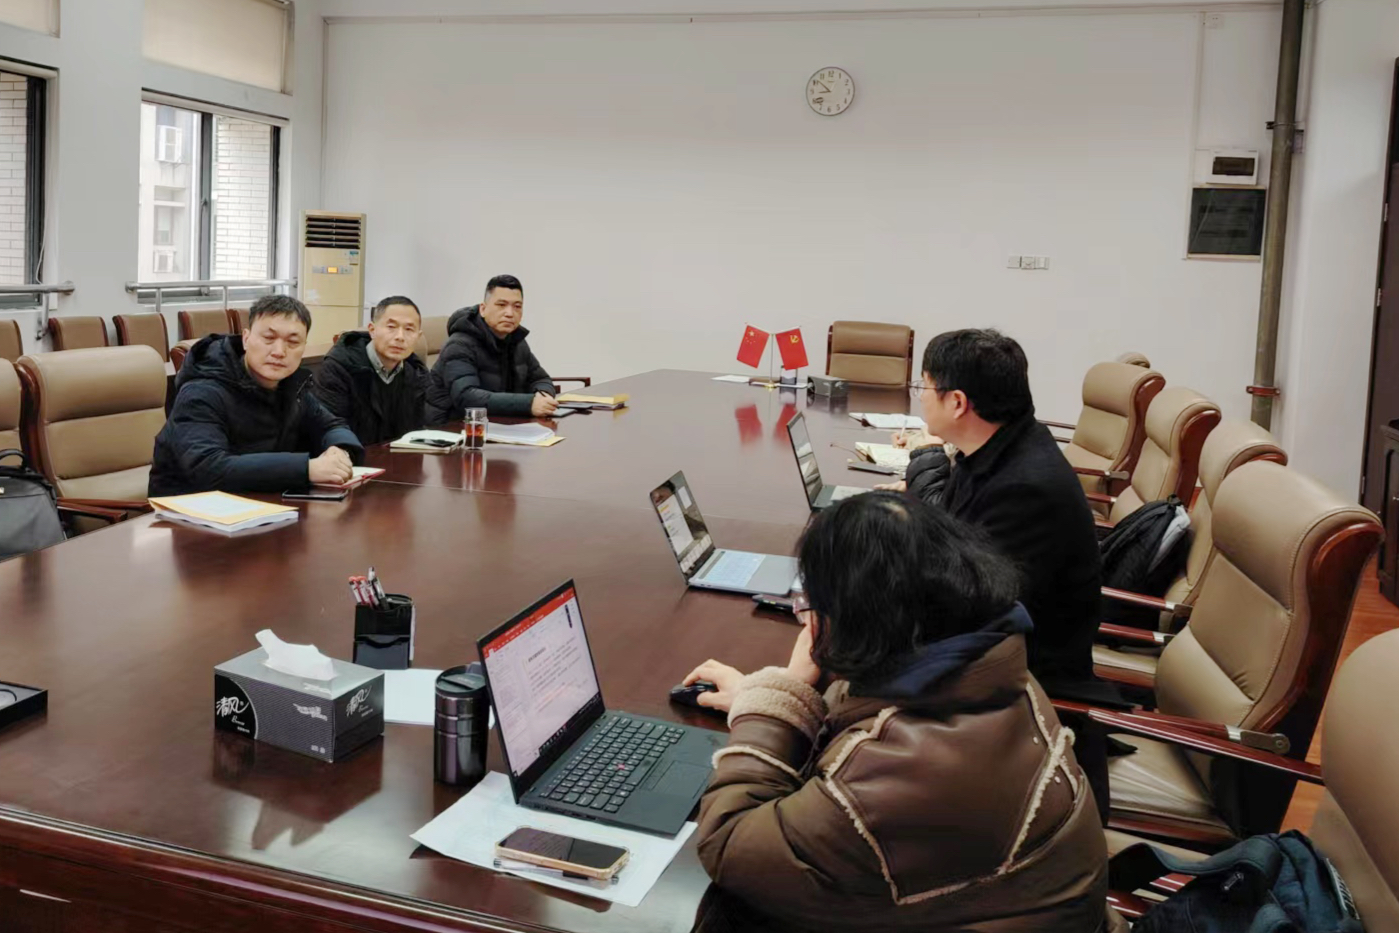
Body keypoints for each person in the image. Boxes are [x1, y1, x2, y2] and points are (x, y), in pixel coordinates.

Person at [683, 493, 1110, 933]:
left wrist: (777, 698)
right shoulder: (985, 667)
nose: (807, 623)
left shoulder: (905, 765)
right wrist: (769, 695)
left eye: (810, 607)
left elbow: (728, 844)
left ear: (864, 622)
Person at [880, 329, 1101, 690]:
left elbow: (968, 601)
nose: (920, 398)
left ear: (957, 402)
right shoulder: (999, 448)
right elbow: (951, 537)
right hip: (980, 650)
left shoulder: (1025, 489)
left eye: (924, 387)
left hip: (1016, 684)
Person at [149, 295, 364, 497]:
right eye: (269, 338)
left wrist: (340, 451)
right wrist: (307, 469)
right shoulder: (202, 391)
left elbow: (331, 425)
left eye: (293, 342)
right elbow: (208, 467)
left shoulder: (291, 386)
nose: (279, 351)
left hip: (262, 504)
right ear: (246, 339)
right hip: (190, 511)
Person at [313, 295, 442, 445]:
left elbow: (415, 433)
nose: (400, 337)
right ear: (372, 330)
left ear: (418, 336)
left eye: (409, 329)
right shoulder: (339, 367)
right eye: (391, 327)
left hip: (398, 456)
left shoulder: (417, 374)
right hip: (351, 455)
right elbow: (330, 430)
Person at [426, 274, 557, 421]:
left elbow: (541, 379)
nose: (509, 313)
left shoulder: (516, 342)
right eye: (501, 305)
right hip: (452, 426)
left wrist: (543, 395)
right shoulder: (459, 345)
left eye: (517, 306)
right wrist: (528, 404)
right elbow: (466, 397)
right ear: (483, 309)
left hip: (498, 423)